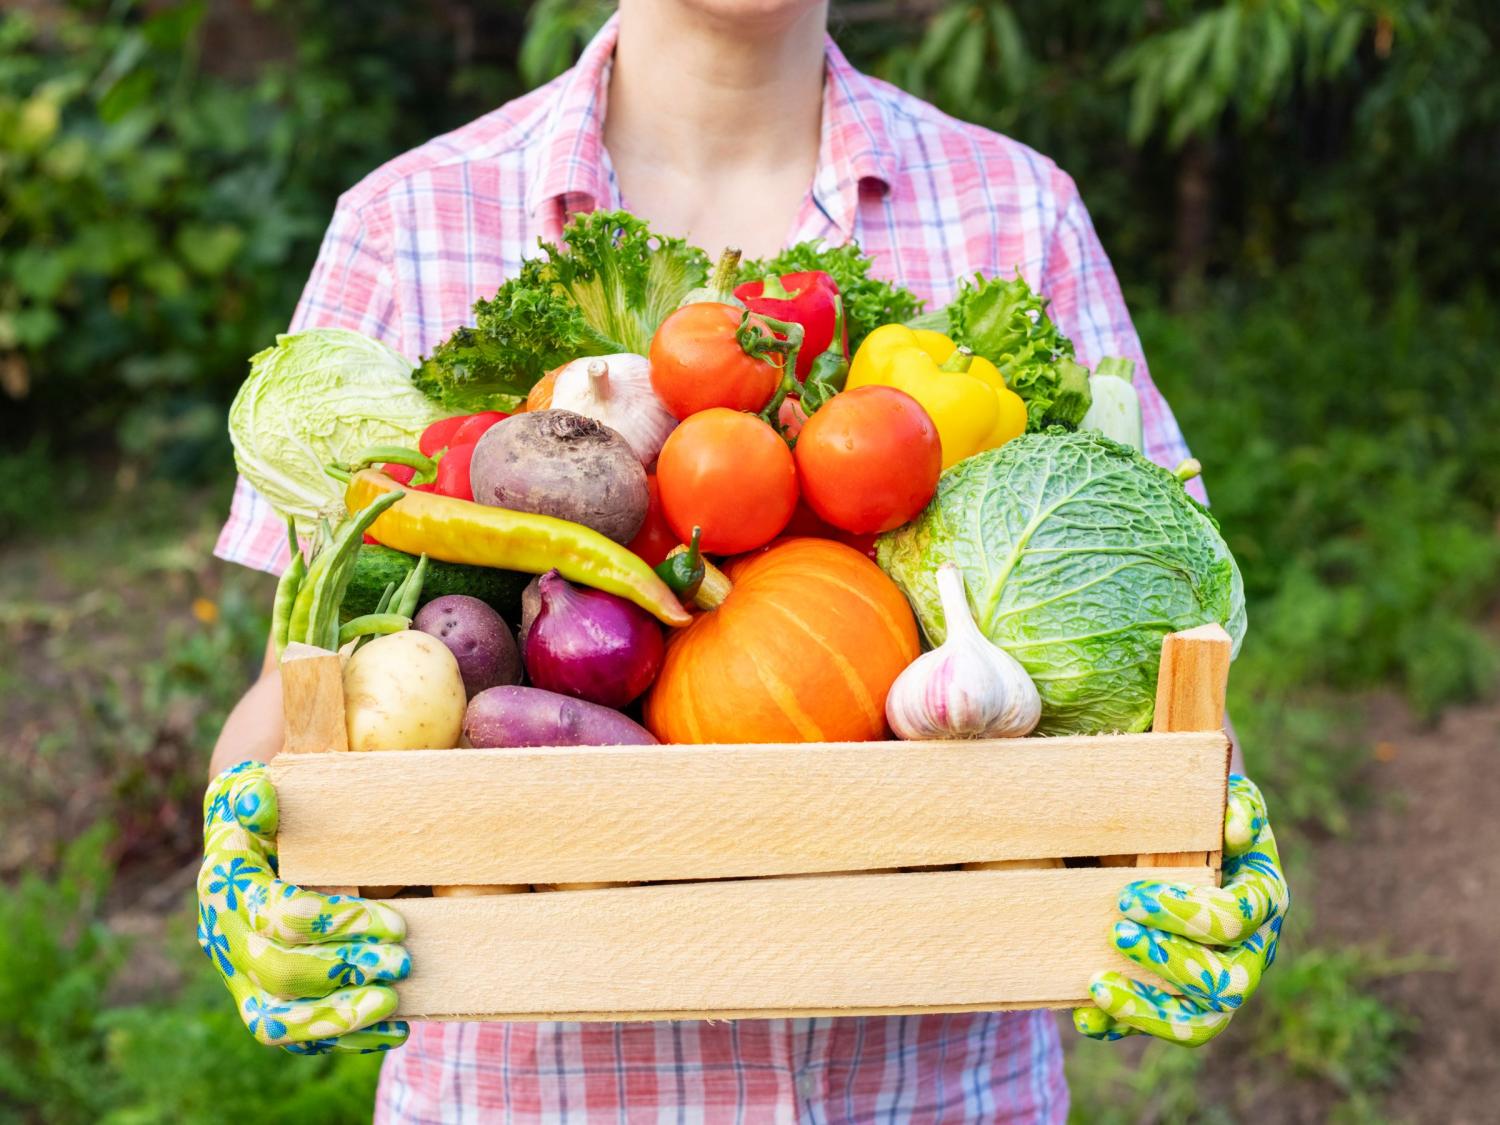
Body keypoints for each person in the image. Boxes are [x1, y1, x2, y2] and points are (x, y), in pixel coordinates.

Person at [202, 0, 1289, 1120]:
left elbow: (1156, 653)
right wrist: (243, 850)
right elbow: (299, 685)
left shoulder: (1019, 212)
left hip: (939, 1095)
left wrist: (1204, 832)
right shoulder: (411, 222)